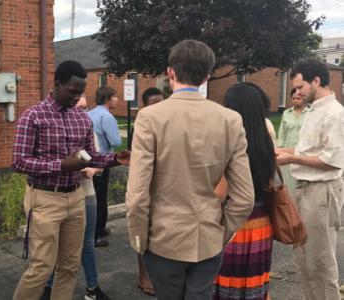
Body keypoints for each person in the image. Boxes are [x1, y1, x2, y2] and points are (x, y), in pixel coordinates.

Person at [126, 39, 255, 300]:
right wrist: (221, 233)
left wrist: (140, 241)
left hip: (163, 238)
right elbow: (244, 198)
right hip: (208, 237)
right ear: (207, 76)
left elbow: (138, 196)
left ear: (170, 72)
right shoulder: (230, 119)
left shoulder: (150, 117)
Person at [11, 60, 129, 300]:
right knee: (41, 267)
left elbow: (91, 156)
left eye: (80, 92)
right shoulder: (33, 116)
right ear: (57, 84)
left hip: (76, 197)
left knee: (69, 265)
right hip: (45, 197)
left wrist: (115, 158)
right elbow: (19, 161)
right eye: (72, 91)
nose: (77, 98)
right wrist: (61, 165)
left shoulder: (82, 119)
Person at [276, 58, 344, 300]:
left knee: (321, 257)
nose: (296, 92)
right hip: (305, 189)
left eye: (299, 87)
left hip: (321, 190)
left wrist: (291, 160)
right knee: (303, 256)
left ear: (316, 81)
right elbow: (307, 150)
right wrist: (281, 151)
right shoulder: (314, 111)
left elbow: (331, 160)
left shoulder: (335, 113)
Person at [41, 95, 111, 300]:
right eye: (76, 107)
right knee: (55, 244)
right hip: (56, 194)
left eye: (84, 108)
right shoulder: (52, 132)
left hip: (86, 192)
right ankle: (48, 287)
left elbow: (96, 161)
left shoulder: (88, 131)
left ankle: (92, 288)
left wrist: (92, 170)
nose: (80, 112)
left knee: (87, 243)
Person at [212, 83, 276, 300]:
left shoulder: (228, 140)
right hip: (261, 224)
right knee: (253, 286)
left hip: (232, 222)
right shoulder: (266, 139)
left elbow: (221, 192)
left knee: (224, 283)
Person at [135, 86, 164, 297]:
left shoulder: (168, 124)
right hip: (146, 186)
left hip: (165, 188)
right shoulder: (140, 125)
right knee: (142, 233)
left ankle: (158, 275)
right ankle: (143, 275)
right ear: (145, 105)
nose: (159, 108)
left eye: (161, 103)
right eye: (154, 104)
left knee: (160, 234)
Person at [87, 86, 122, 247]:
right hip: (102, 160)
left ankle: (96, 229)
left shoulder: (89, 114)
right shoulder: (107, 117)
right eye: (115, 97)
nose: (117, 100)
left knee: (91, 197)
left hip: (88, 161)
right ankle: (96, 233)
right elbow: (116, 141)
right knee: (100, 197)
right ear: (108, 99)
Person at [277, 88, 309, 190]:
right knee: (288, 182)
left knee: (302, 182)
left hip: (304, 152)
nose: (295, 100)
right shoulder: (286, 113)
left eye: (298, 98)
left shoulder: (311, 113)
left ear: (304, 98)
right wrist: (280, 148)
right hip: (287, 152)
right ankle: (289, 202)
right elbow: (282, 133)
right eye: (293, 98)